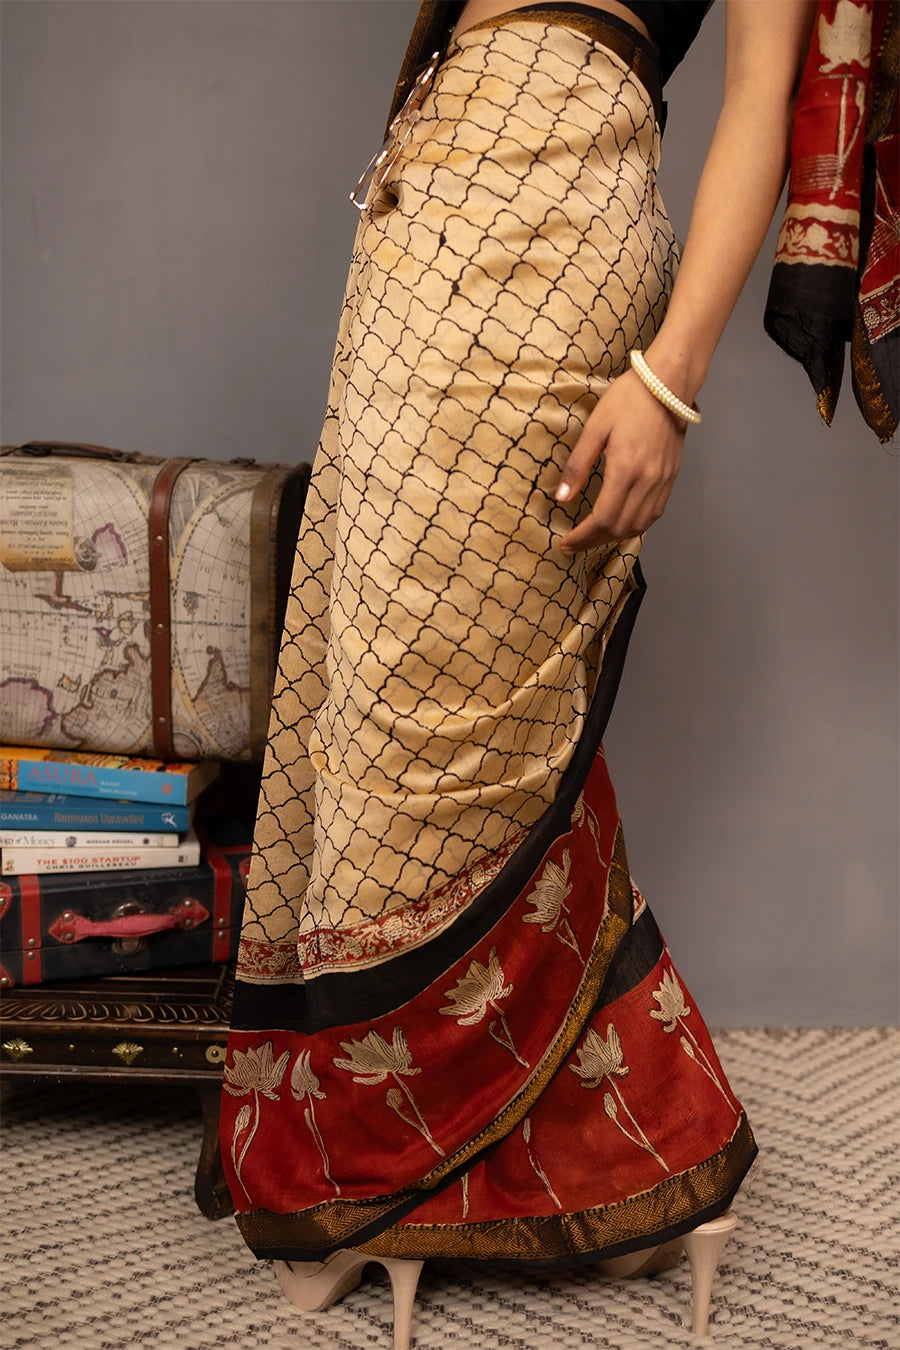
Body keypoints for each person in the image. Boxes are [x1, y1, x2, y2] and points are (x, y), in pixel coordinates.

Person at [220, 1, 821, 1344]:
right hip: (420, 209)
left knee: (442, 726)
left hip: (557, 198)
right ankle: (555, 1155)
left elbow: (765, 93)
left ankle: (391, 1168)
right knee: (355, 685)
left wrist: (670, 382)